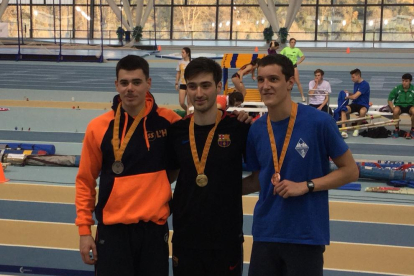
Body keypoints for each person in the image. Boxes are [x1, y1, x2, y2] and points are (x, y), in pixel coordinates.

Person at [242, 54, 359, 276]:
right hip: (265, 233)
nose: (265, 86)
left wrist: (306, 185)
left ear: (289, 83)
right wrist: (219, 191)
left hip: (305, 235)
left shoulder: (319, 122)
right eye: (261, 80)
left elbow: (351, 171)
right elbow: (261, 178)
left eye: (273, 80)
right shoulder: (256, 129)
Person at [75, 55, 181, 275]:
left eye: (136, 82)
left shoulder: (169, 122)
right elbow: (85, 181)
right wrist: (84, 231)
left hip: (153, 231)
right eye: (124, 83)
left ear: (148, 83)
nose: (130, 88)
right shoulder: (98, 128)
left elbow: (199, 132)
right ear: (116, 85)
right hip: (113, 232)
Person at [167, 57, 251, 276]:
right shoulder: (177, 132)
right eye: (192, 86)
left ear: (219, 87)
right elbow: (169, 174)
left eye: (205, 85)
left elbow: (264, 173)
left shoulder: (238, 127)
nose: (199, 93)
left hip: (226, 238)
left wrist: (229, 189)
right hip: (186, 237)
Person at [340, 68, 371, 138]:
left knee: (362, 112)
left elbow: (354, 97)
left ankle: (357, 128)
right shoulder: (356, 83)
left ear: (358, 76)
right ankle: (344, 130)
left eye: (353, 77)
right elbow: (355, 94)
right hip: (355, 104)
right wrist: (348, 93)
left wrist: (347, 97)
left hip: (363, 104)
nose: (352, 79)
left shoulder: (365, 84)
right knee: (343, 110)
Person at [387, 73, 414, 139]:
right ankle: (397, 129)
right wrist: (392, 107)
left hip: (410, 106)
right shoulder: (397, 88)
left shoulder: (413, 89)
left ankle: (413, 130)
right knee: (395, 111)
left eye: (406, 81)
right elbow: (389, 99)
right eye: (403, 81)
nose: (404, 82)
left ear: (410, 81)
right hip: (399, 105)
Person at [280, 38, 306, 102]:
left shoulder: (297, 50)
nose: (293, 43)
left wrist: (299, 62)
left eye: (294, 42)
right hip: (287, 67)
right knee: (285, 81)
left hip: (294, 67)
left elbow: (303, 57)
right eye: (292, 42)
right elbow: (280, 55)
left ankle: (302, 96)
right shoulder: (286, 49)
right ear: (289, 43)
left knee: (297, 81)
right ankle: (283, 96)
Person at [175, 47, 192, 113]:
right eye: (181, 52)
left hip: (189, 84)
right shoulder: (180, 62)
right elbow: (178, 73)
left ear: (187, 53)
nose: (182, 54)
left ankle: (188, 116)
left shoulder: (191, 62)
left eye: (183, 52)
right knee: (181, 103)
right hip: (182, 84)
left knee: (189, 103)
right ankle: (189, 111)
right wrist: (176, 83)